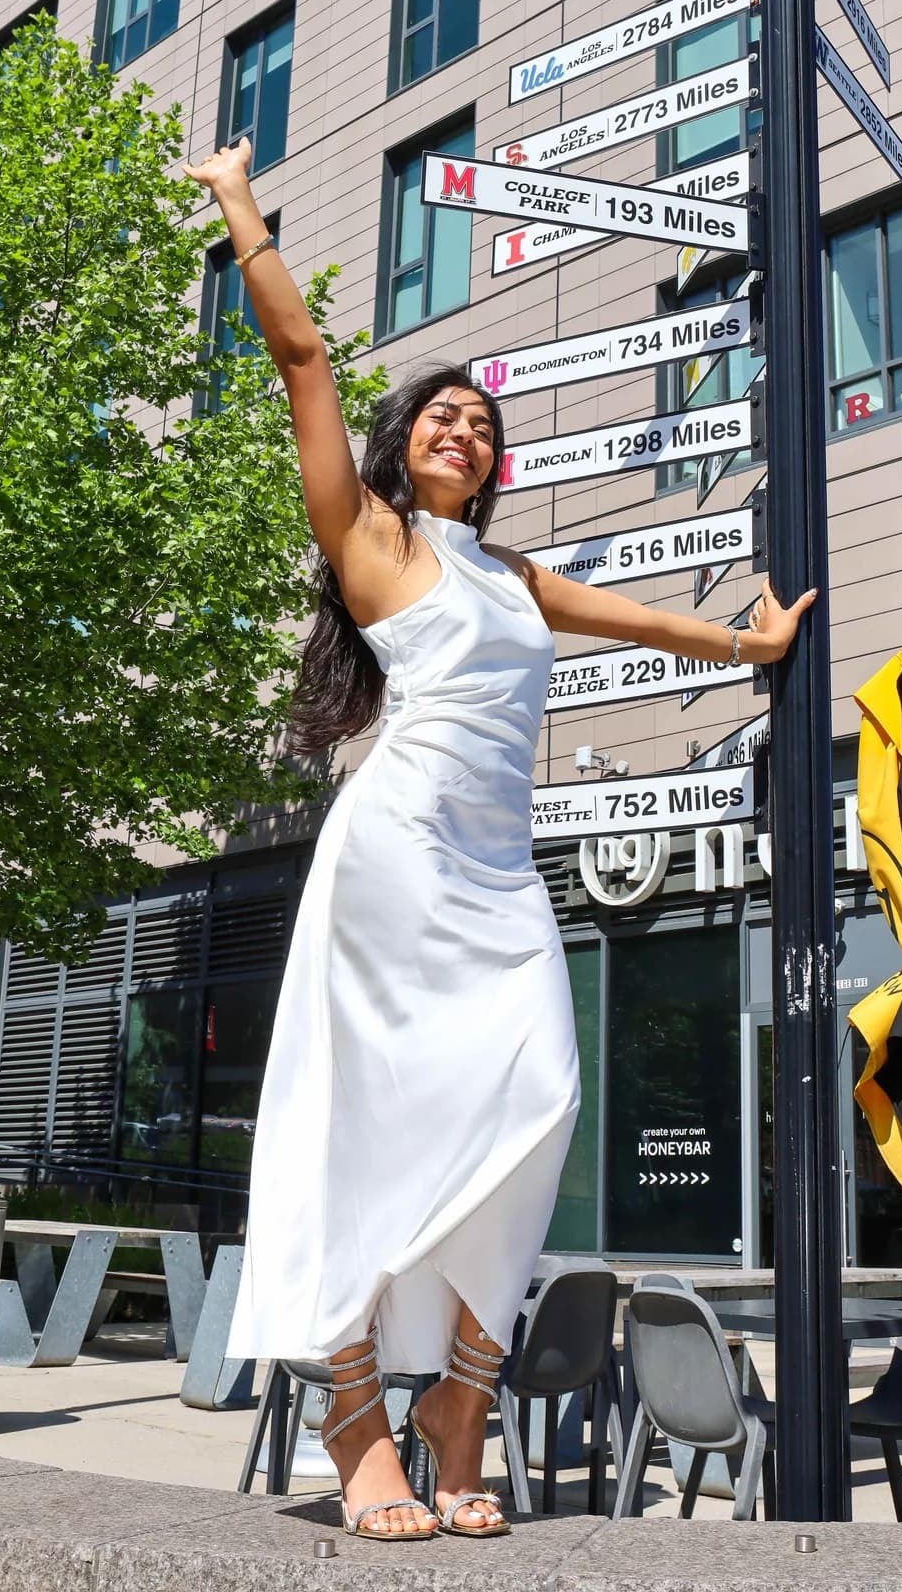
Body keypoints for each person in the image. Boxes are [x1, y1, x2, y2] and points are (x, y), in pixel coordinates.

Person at [184, 138, 815, 1543]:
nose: (461, 430)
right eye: (440, 416)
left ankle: (459, 1397)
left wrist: (748, 644)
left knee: (540, 1095)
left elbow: (636, 620)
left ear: (494, 462)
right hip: (394, 855)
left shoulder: (511, 573)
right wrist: (240, 208)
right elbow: (303, 361)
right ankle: (359, 1418)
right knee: (364, 1128)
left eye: (480, 423)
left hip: (493, 874)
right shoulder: (373, 539)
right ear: (404, 443)